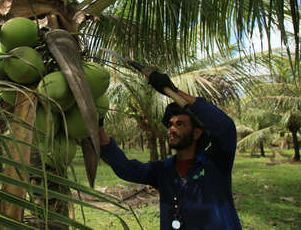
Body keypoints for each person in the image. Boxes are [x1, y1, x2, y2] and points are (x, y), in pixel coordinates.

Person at [99, 71, 242, 230]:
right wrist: (98, 127)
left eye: (179, 124)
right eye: (171, 124)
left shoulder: (216, 162)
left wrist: (173, 91)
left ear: (196, 133)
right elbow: (126, 168)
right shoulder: (163, 170)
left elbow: (225, 127)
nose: (172, 129)